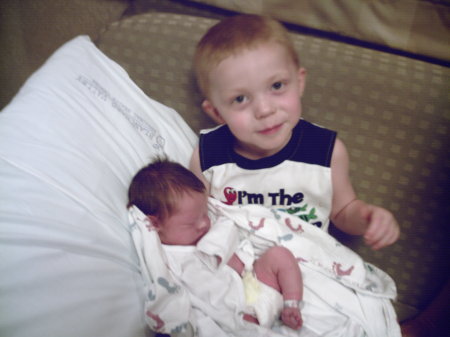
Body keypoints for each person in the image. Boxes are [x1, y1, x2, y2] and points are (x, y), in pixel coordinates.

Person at [189, 14, 400, 250]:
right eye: (240, 98)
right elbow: (197, 219)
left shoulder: (326, 151)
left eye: (277, 86)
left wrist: (367, 217)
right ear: (217, 112)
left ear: (299, 82)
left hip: (308, 266)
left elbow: (342, 211)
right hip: (236, 265)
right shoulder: (208, 156)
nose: (265, 110)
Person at [128, 157, 303, 330]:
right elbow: (177, 302)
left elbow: (235, 232)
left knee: (279, 255)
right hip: (236, 314)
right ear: (155, 224)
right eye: (191, 223)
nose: (204, 223)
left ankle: (292, 304)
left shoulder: (213, 227)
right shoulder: (168, 260)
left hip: (258, 282)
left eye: (204, 213)